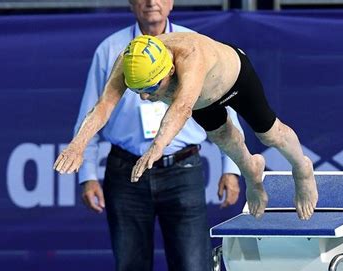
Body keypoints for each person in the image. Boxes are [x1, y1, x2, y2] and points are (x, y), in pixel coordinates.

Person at [63, 0, 243, 271]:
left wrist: (231, 167)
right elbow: (93, 109)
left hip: (183, 169)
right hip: (125, 171)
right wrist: (86, 173)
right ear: (131, 2)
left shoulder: (193, 44)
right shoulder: (112, 49)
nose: (151, 2)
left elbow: (222, 108)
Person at [54, 32, 318, 220]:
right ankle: (252, 172)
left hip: (235, 81)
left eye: (149, 88)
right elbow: (103, 106)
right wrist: (77, 145)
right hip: (203, 101)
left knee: (270, 133)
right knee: (228, 142)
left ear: (169, 71)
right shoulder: (129, 60)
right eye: (137, 90)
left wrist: (156, 148)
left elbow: (180, 110)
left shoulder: (189, 56)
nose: (144, 97)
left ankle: (302, 168)